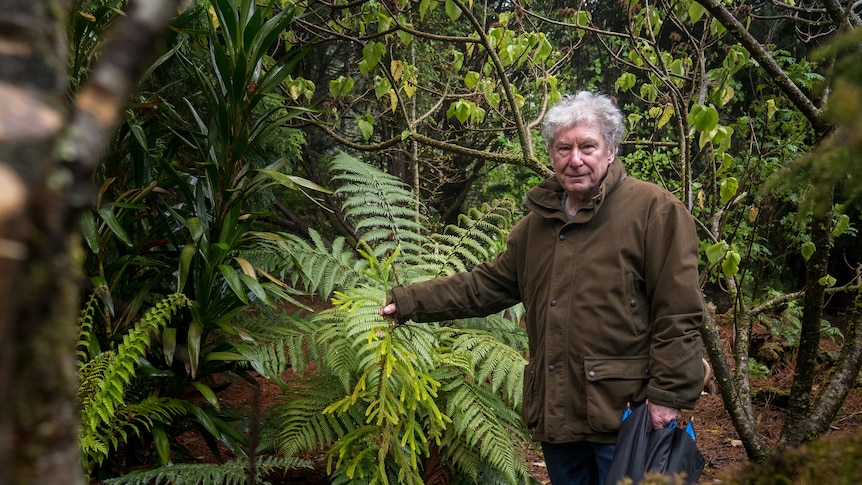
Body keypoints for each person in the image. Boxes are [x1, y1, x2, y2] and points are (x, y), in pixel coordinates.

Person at [380, 91, 704, 485]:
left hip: (627, 417)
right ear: (551, 155)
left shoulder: (655, 210)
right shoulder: (537, 225)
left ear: (611, 149)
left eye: (588, 146)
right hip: (557, 414)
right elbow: (484, 287)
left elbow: (680, 312)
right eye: (563, 148)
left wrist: (667, 398)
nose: (575, 159)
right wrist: (407, 301)